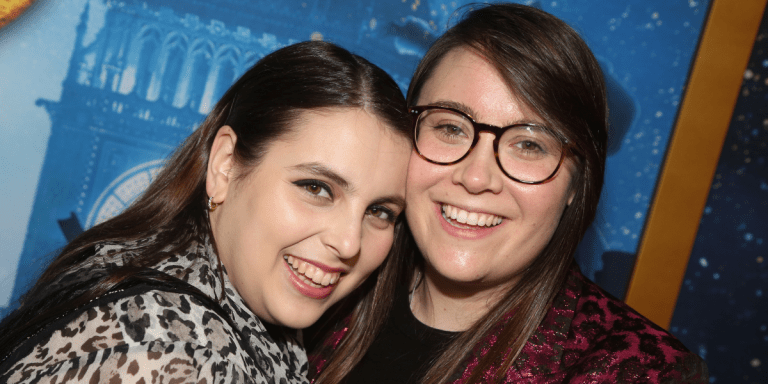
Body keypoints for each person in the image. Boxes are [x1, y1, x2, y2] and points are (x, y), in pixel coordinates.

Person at [308, 4, 708, 383]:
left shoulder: (640, 371)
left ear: (576, 184)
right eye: (450, 128)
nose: (477, 177)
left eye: (530, 145)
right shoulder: (320, 288)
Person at [0, 41, 412, 384]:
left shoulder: (236, 318)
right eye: (317, 188)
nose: (349, 242)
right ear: (225, 166)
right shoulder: (161, 350)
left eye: (379, 211)